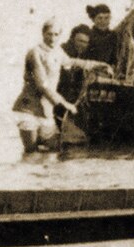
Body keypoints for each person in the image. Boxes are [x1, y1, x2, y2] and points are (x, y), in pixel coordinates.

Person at [13, 20, 88, 151]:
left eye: (56, 34)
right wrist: (65, 104)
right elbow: (43, 85)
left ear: (60, 35)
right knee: (31, 152)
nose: (52, 38)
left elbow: (72, 61)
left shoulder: (57, 51)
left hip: (46, 111)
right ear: (43, 33)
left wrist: (98, 65)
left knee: (55, 150)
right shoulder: (35, 52)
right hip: (29, 109)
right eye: (49, 34)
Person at [81, 3, 122, 70]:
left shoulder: (114, 36)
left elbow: (116, 58)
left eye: (106, 18)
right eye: (100, 18)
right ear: (93, 19)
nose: (103, 21)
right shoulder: (88, 35)